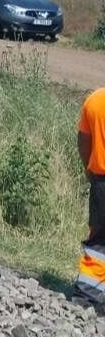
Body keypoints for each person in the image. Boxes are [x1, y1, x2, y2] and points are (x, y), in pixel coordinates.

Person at [76, 88, 105, 309]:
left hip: (101, 182)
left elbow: (84, 141)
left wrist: (90, 171)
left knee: (98, 238)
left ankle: (89, 295)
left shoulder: (94, 100)